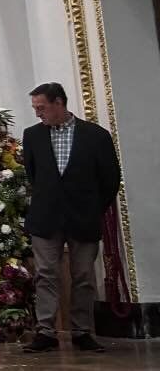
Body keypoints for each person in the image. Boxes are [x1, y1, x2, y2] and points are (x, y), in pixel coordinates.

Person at [21, 82, 122, 354]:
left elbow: (110, 179)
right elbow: (33, 175)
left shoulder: (95, 136)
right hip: (46, 217)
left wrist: (92, 207)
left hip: (83, 216)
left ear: (58, 103)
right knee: (45, 274)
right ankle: (45, 330)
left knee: (84, 275)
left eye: (42, 108)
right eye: (35, 109)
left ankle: (82, 330)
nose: (38, 114)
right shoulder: (32, 136)